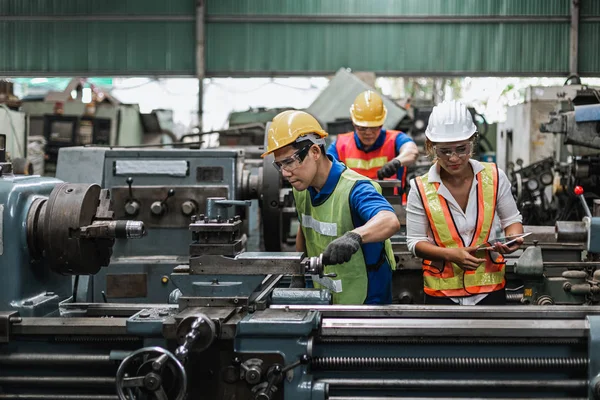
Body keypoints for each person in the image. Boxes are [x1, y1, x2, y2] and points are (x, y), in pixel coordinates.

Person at [262, 110, 400, 305]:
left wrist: (355, 236)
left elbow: (389, 220)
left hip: (365, 301)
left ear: (315, 152)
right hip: (323, 296)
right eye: (279, 165)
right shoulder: (301, 188)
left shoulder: (355, 188)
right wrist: (297, 273)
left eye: (289, 162)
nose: (285, 173)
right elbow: (305, 229)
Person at [406, 100, 524, 305]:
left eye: (462, 149)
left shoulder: (495, 177)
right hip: (442, 296)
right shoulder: (420, 187)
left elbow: (512, 221)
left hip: (489, 291)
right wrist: (450, 255)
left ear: (473, 141)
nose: (454, 158)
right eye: (445, 151)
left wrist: (512, 239)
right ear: (431, 146)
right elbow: (414, 242)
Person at [327, 90, 419, 195]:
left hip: (391, 204)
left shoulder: (395, 139)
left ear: (382, 123)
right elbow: (325, 169)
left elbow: (412, 151)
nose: (368, 133)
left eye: (374, 127)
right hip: (351, 204)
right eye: (362, 128)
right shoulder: (339, 145)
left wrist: (397, 162)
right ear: (353, 122)